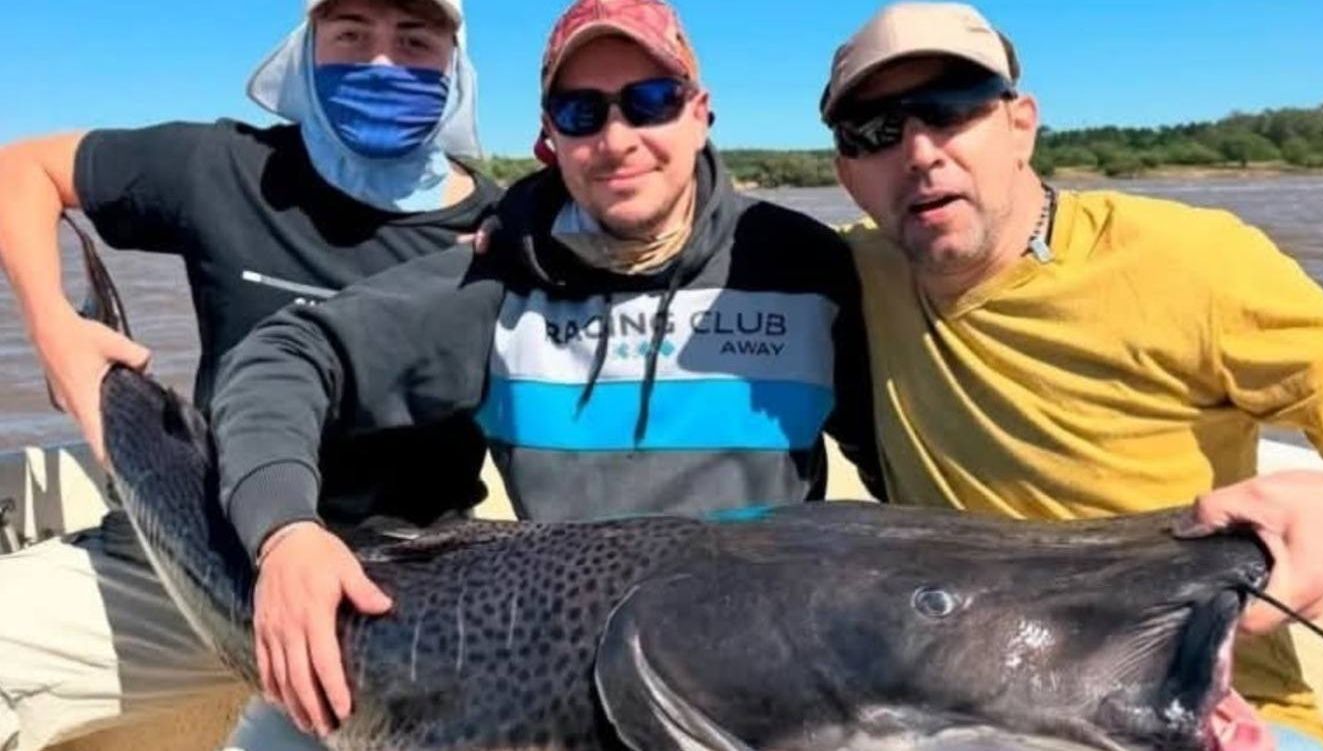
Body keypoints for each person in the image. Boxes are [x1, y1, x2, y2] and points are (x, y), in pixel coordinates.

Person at [207, 0, 882, 745]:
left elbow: (892, 452)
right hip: (549, 668)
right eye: (581, 112)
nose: (616, 139)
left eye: (651, 101)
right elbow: (288, 354)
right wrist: (286, 532)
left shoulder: (804, 264)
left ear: (699, 114)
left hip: (767, 672)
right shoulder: (496, 279)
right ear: (549, 137)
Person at [820, 3, 1323, 748]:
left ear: (1020, 125)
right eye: (875, 130)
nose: (921, 152)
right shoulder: (845, 273)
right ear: (847, 175)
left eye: (952, 110)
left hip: (1206, 705)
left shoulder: (1189, 261)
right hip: (962, 709)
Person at [0, 1, 499, 749]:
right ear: (306, 49)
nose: (381, 62)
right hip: (197, 546)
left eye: (415, 39)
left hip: (409, 590)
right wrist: (53, 328)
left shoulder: (504, 229)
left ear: (454, 64)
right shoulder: (226, 166)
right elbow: (22, 169)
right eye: (351, 34)